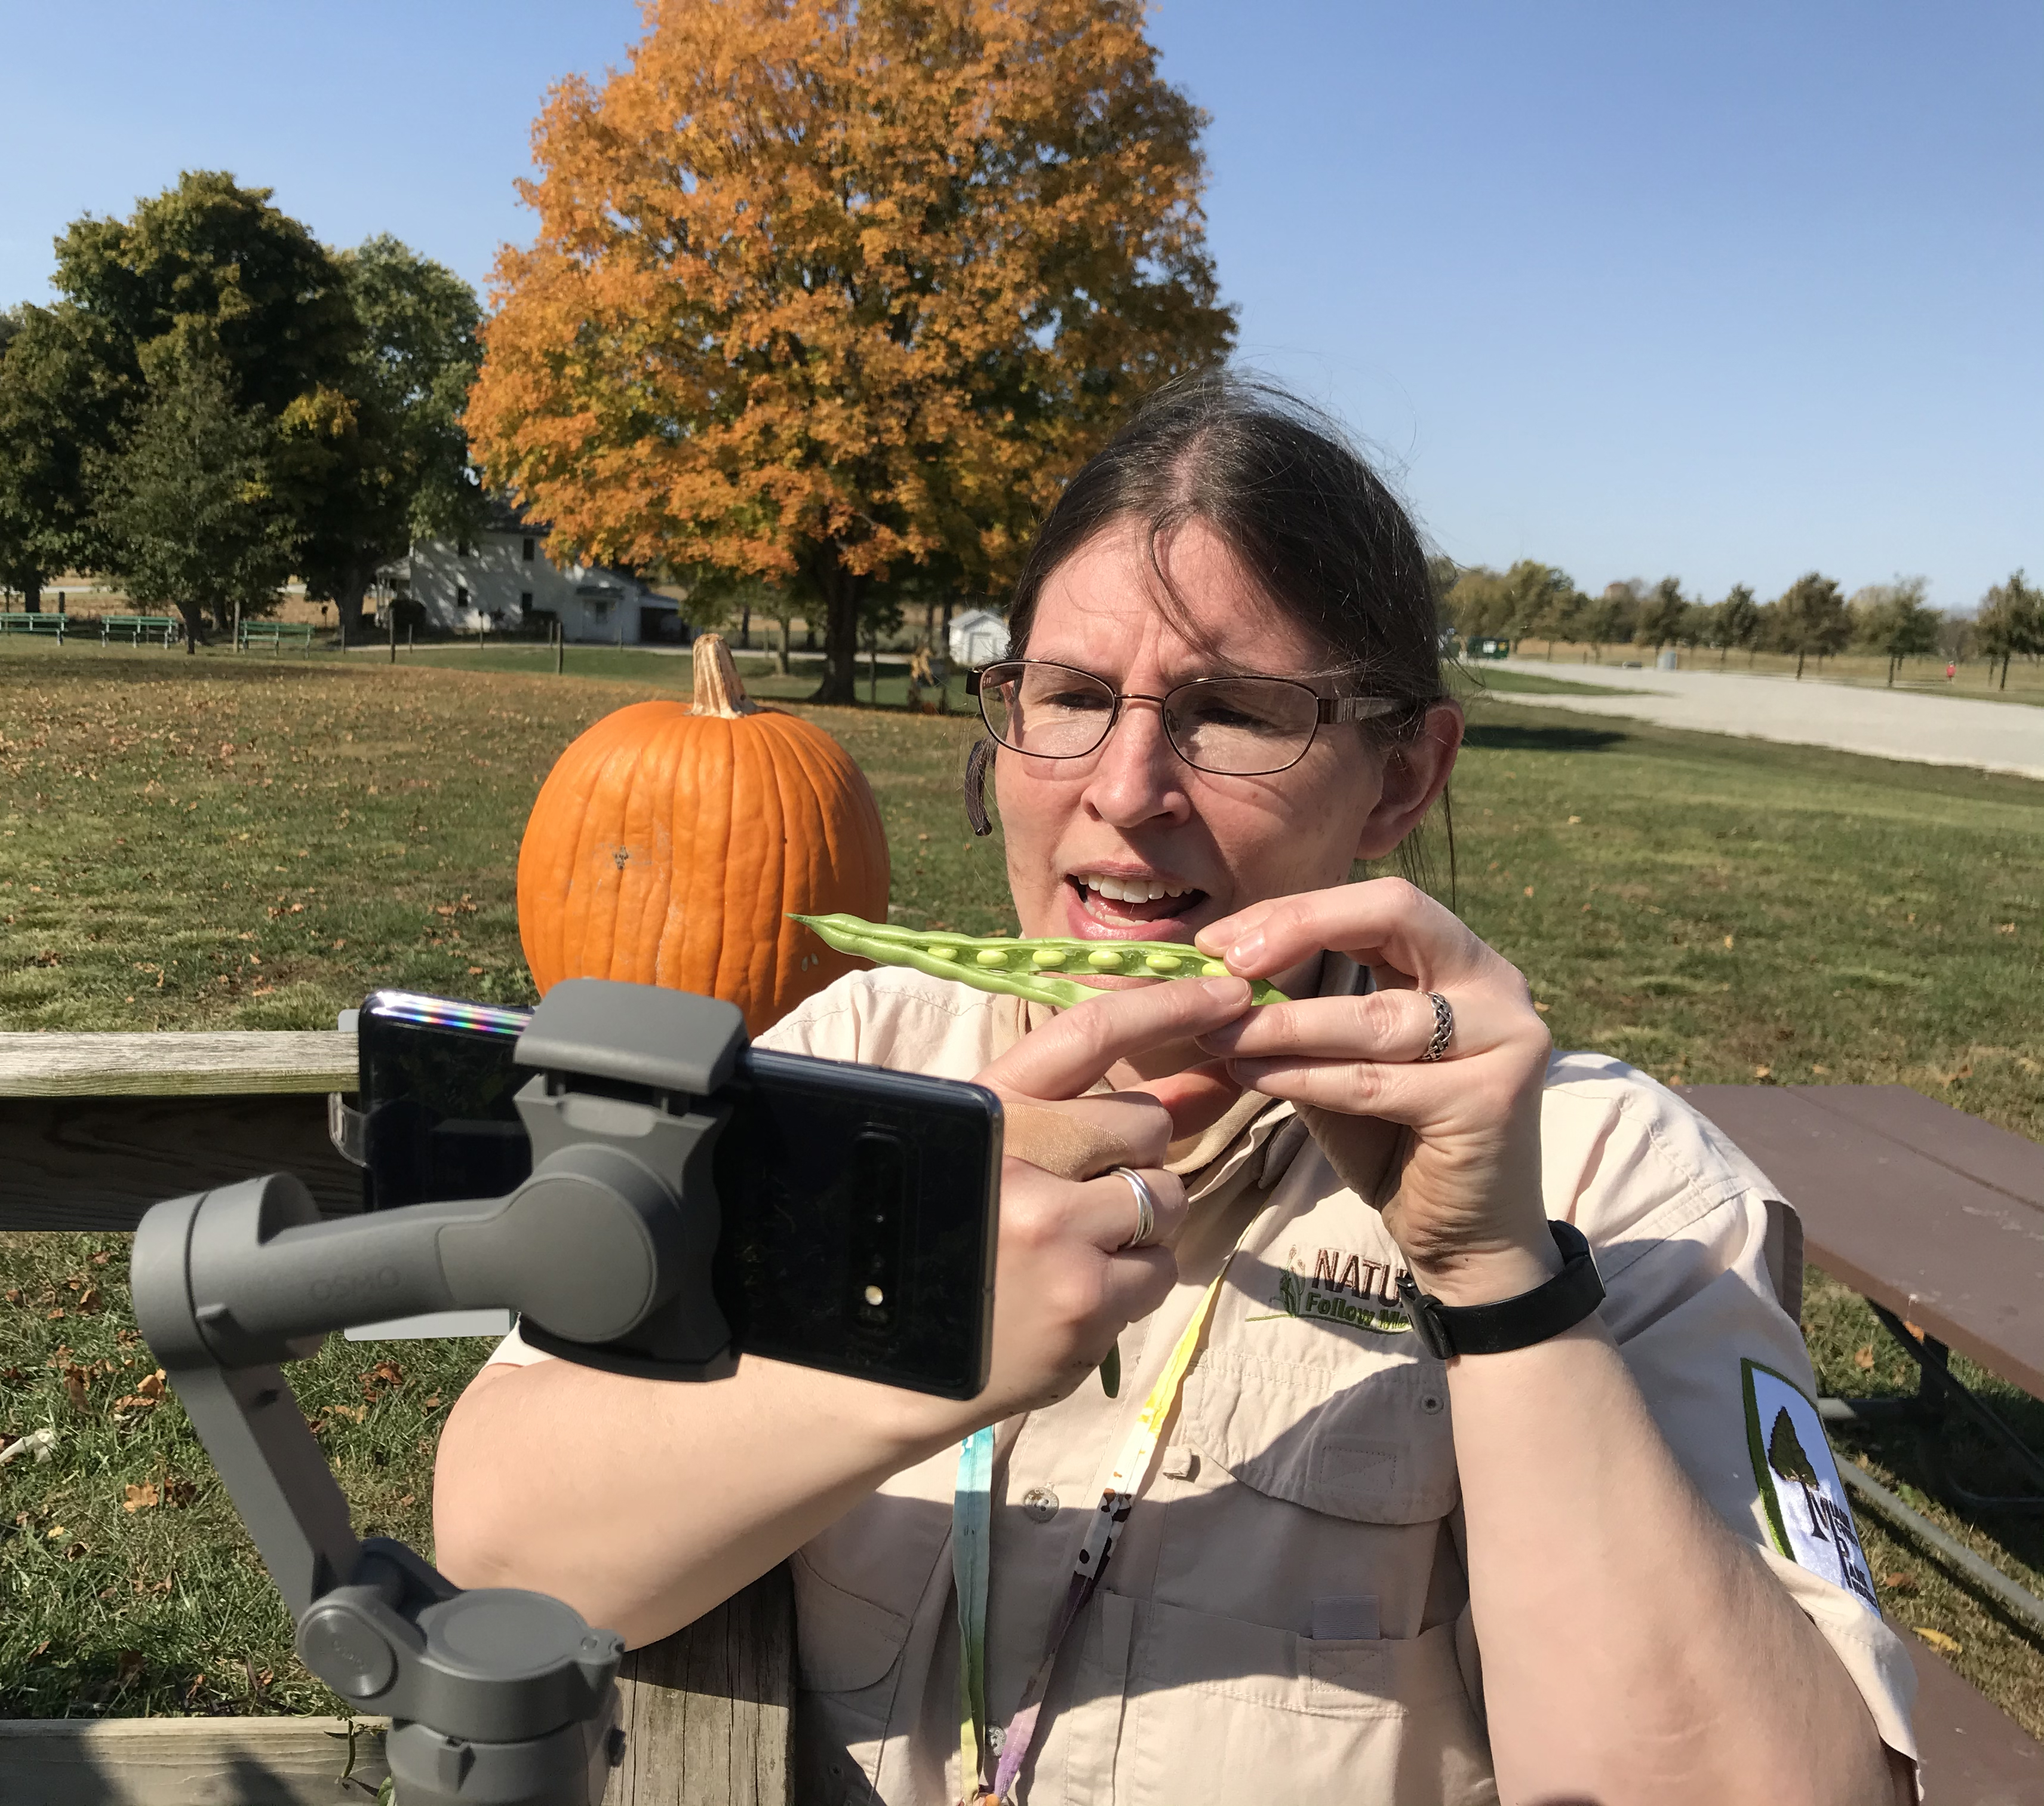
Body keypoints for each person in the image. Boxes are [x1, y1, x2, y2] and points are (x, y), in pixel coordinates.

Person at [435, 374, 1917, 1805]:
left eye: (1231, 713)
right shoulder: (858, 1060)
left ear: (1401, 778)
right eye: (1070, 695)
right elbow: (504, 1545)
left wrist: (1495, 1284)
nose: (1127, 786)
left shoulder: (1613, 1182)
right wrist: (907, 1337)